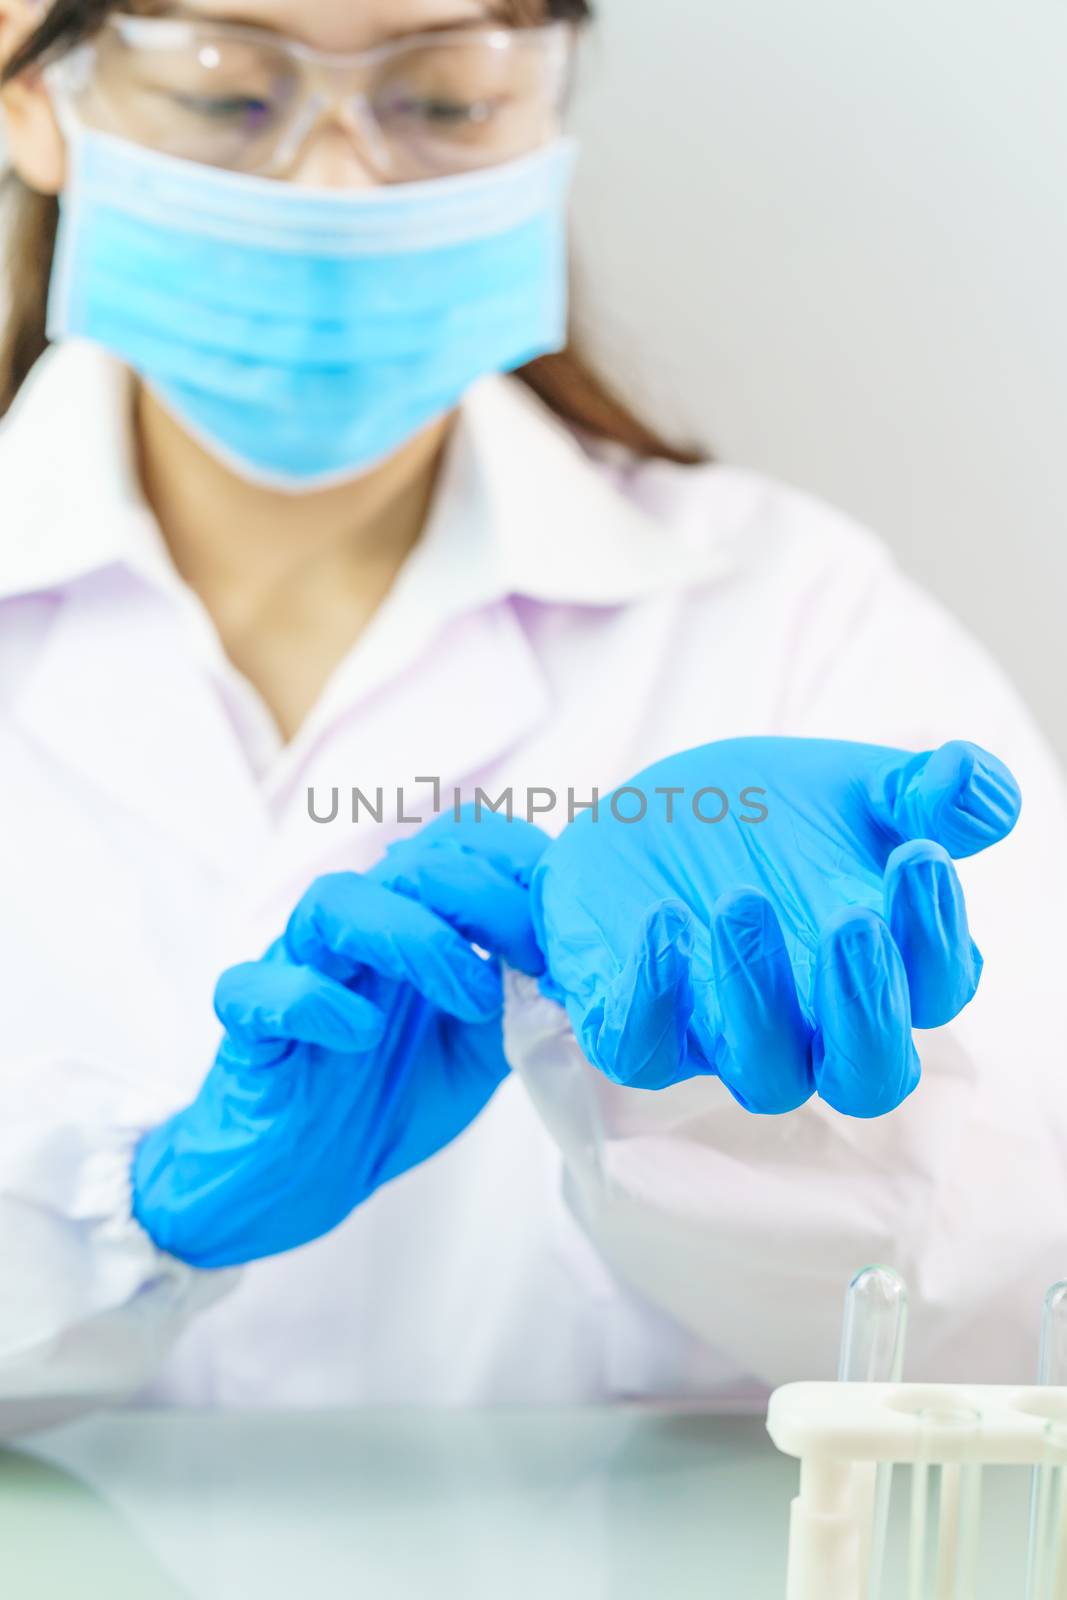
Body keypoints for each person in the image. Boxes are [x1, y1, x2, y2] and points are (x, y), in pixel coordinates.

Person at [0, 0, 1063, 1427]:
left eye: (442, 100)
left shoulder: (792, 616)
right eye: (225, 92)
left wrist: (731, 1131)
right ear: (31, 97)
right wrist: (127, 1216)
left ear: (548, 113)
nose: (340, 180)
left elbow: (1016, 1323)